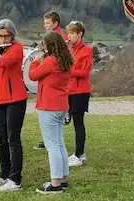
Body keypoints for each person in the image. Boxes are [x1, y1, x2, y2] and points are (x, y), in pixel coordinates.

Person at [29, 31, 74, 194]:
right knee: (59, 143)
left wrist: (34, 62)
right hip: (61, 104)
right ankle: (63, 178)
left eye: (44, 44)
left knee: (52, 145)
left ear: (50, 46)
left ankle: (55, 182)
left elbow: (33, 75)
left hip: (48, 105)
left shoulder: (50, 61)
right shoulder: (66, 60)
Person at [0, 19, 27, 192]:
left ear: (12, 35)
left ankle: (15, 179)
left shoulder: (16, 48)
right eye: (0, 36)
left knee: (13, 139)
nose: (3, 39)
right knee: (1, 139)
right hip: (0, 99)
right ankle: (4, 174)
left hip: (15, 99)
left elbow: (4, 63)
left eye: (7, 36)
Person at [35, 10, 69, 150]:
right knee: (58, 141)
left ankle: (57, 172)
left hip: (53, 92)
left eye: (48, 23)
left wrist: (38, 62)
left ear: (56, 23)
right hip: (58, 93)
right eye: (45, 23)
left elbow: (34, 74)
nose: (45, 26)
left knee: (54, 142)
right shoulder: (54, 38)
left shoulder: (56, 39)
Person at [65, 21, 93, 167]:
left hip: (80, 91)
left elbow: (84, 72)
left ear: (79, 34)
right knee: (73, 121)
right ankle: (77, 153)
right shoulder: (71, 50)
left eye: (71, 33)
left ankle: (80, 154)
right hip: (70, 90)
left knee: (78, 122)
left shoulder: (86, 50)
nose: (69, 36)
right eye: (68, 33)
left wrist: (69, 71)